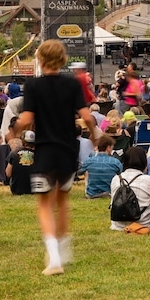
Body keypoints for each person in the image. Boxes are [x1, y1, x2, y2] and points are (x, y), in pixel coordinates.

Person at [13, 40, 98, 276]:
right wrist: (94, 136)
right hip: (68, 151)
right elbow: (87, 117)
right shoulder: (72, 84)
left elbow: (27, 118)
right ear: (62, 59)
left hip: (45, 150)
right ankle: (62, 248)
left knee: (44, 205)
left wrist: (13, 131)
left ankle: (54, 259)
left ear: (40, 60)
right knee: (62, 202)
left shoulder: (33, 86)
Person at [109, 146, 150, 232]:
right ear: (144, 162)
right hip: (143, 224)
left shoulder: (116, 178)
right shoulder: (149, 180)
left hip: (118, 225)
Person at [77, 134, 122, 199]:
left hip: (92, 194)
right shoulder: (116, 162)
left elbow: (79, 172)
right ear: (108, 148)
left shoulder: (89, 161)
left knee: (87, 172)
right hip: (110, 193)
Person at [8, 131, 37, 196]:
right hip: (35, 190)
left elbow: (8, 173)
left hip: (16, 190)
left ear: (23, 140)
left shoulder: (14, 153)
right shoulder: (40, 154)